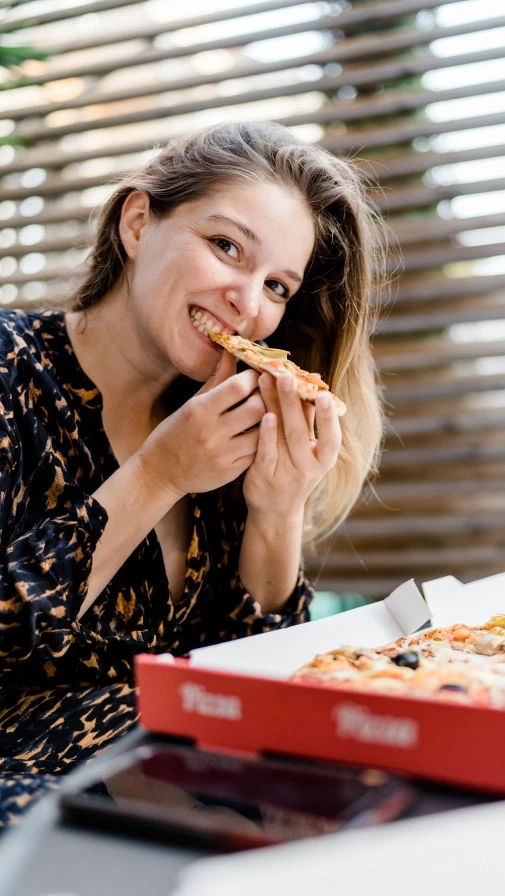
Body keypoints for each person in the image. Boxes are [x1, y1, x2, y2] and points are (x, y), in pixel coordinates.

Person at [0, 120, 385, 828]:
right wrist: (158, 476)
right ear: (140, 222)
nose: (248, 301)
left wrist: (277, 511)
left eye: (277, 284)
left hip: (189, 796)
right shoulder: (10, 369)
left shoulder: (223, 416)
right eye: (226, 246)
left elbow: (248, 680)